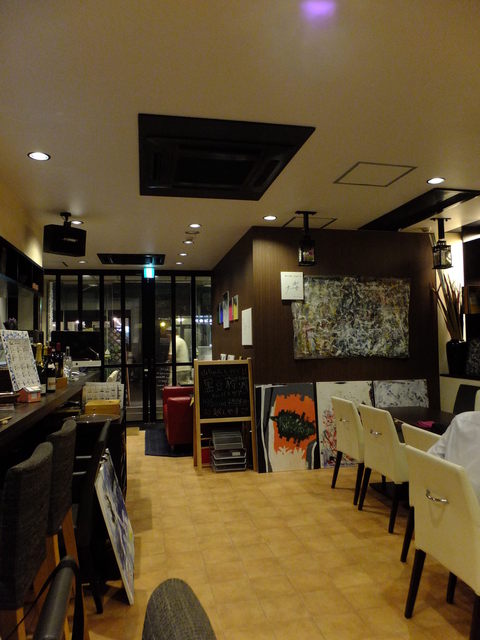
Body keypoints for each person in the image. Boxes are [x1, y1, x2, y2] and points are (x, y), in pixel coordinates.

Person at [427, 411, 480, 501]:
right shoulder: (460, 420)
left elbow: (430, 459)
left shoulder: (460, 420)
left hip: (444, 499)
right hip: (469, 505)